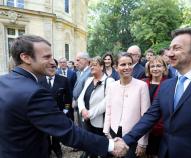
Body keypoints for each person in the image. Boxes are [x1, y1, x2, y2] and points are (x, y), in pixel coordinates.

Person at [0, 35, 128, 158]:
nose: (52, 62)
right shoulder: (34, 93)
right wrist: (111, 145)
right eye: (47, 57)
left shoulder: (3, 81)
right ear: (26, 58)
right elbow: (68, 132)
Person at [121, 28, 191, 158]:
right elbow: (150, 117)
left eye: (176, 48)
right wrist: (125, 140)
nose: (169, 54)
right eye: (169, 48)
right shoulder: (166, 85)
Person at [103, 52, 150, 158]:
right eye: (123, 64)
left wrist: (142, 142)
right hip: (113, 132)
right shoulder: (112, 86)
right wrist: (106, 132)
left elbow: (145, 117)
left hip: (133, 135)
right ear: (115, 67)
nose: (127, 67)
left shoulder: (142, 86)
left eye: (130, 64)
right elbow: (108, 110)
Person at [78, 56, 115, 158]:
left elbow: (106, 102)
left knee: (101, 148)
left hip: (100, 122)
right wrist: (82, 110)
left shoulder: (109, 81)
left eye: (94, 65)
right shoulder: (88, 80)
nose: (91, 67)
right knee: (89, 145)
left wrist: (89, 114)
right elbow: (80, 97)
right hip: (86, 120)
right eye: (90, 65)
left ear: (102, 67)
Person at [39, 59, 73, 158]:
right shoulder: (39, 80)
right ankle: (47, 148)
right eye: (49, 66)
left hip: (59, 112)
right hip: (44, 113)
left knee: (57, 132)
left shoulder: (63, 80)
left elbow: (68, 98)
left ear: (56, 67)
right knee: (45, 133)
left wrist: (66, 110)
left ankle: (56, 147)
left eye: (53, 66)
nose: (51, 68)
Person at [145, 56, 168, 157]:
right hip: (143, 127)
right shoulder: (142, 83)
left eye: (158, 66)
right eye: (152, 66)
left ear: (164, 68)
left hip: (160, 129)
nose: (155, 69)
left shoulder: (169, 84)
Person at [72, 52, 91, 127]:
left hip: (84, 107)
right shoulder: (79, 73)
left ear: (86, 60)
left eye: (78, 60)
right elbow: (76, 88)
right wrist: (73, 99)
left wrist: (76, 102)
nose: (76, 63)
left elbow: (86, 91)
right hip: (76, 107)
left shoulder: (90, 72)